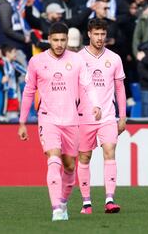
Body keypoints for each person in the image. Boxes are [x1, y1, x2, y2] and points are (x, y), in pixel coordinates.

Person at [18, 22, 102, 221]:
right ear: (49, 39)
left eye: (63, 40)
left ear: (67, 40)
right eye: (55, 40)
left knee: (70, 167)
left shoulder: (77, 61)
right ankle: (56, 208)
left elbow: (88, 85)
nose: (59, 44)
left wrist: (96, 104)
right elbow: (29, 92)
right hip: (48, 120)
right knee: (53, 159)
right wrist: (22, 122)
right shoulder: (37, 62)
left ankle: (63, 202)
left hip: (71, 121)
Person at [77, 18, 127, 214]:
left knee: (109, 151)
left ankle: (109, 200)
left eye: (102, 34)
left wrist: (122, 117)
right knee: (84, 156)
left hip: (107, 116)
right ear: (89, 34)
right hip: (84, 117)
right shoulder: (79, 58)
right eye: (96, 34)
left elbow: (120, 89)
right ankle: (86, 202)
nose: (99, 38)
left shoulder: (114, 58)